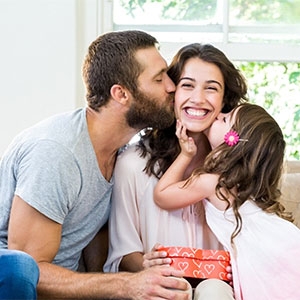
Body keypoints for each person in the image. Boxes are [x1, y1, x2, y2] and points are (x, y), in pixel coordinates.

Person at [0, 30, 192, 299]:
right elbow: (29, 272)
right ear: (121, 94)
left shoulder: (120, 152)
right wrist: (125, 285)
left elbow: (92, 232)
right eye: (159, 79)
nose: (172, 87)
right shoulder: (57, 154)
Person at [104, 43, 248, 299]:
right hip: (159, 289)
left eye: (211, 88)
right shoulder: (133, 163)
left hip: (221, 290)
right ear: (172, 93)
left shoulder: (240, 166)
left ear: (225, 100)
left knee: (214, 291)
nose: (198, 98)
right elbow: (123, 253)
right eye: (187, 85)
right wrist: (147, 266)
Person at [154, 102, 300, 300]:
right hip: (286, 242)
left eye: (225, 119)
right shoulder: (248, 186)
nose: (217, 114)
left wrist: (186, 154)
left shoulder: (211, 182)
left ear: (232, 140)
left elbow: (162, 195)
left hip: (275, 250)